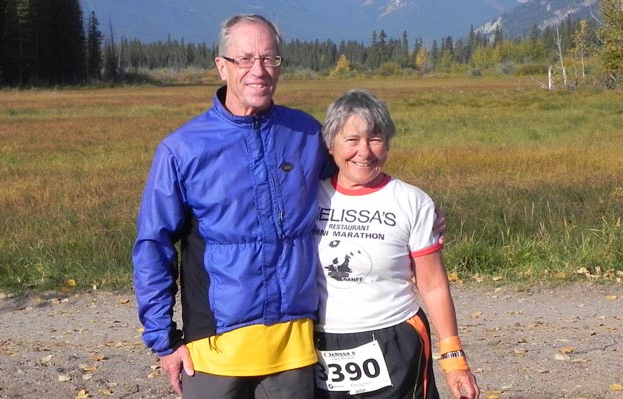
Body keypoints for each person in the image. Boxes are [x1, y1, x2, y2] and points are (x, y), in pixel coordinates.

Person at [132, 14, 334, 399]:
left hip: (293, 350)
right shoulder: (183, 150)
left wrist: (414, 215)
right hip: (214, 354)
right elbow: (152, 246)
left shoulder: (306, 134)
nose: (259, 70)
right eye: (245, 59)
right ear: (222, 66)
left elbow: (352, 187)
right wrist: (163, 340)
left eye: (269, 59)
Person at [312, 89, 479, 399]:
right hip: (318, 343)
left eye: (375, 139)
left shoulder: (411, 202)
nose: (364, 151)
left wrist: (454, 359)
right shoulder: (306, 197)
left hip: (395, 340)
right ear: (329, 143)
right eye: (352, 140)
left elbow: (433, 285)